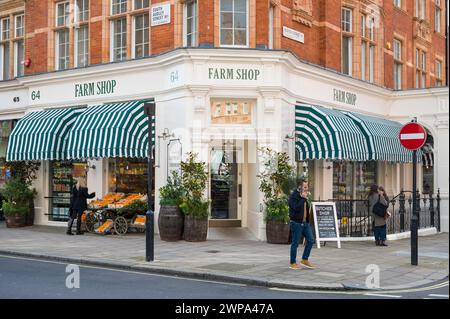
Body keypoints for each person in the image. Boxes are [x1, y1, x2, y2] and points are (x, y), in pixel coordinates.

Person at [288, 180, 315, 269]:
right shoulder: (293, 196)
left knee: (311, 240)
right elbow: (295, 208)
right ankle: (292, 263)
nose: (307, 189)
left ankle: (304, 259)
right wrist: (303, 198)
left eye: (307, 187)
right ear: (299, 187)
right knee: (295, 243)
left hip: (305, 223)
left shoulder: (304, 196)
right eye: (305, 187)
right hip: (296, 223)